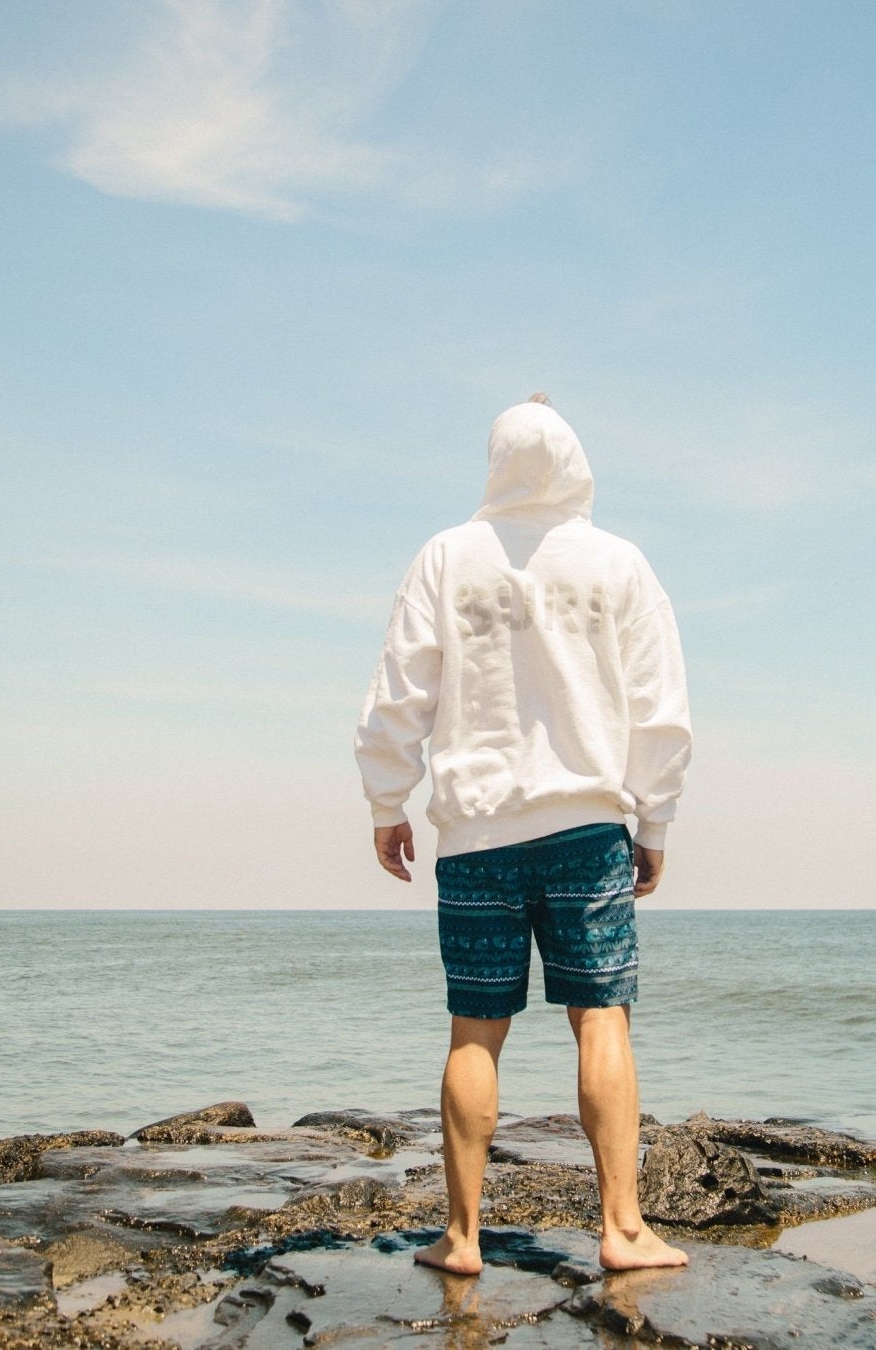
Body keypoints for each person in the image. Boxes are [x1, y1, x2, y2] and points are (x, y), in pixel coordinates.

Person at [354, 393, 693, 1276]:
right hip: (587, 826)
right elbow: (660, 708)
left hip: (474, 835)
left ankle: (462, 1238)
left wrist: (389, 800)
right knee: (602, 1018)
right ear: (576, 461)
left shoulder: (445, 557)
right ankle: (621, 1228)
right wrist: (653, 818)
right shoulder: (618, 562)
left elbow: (401, 690)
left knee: (475, 1030)